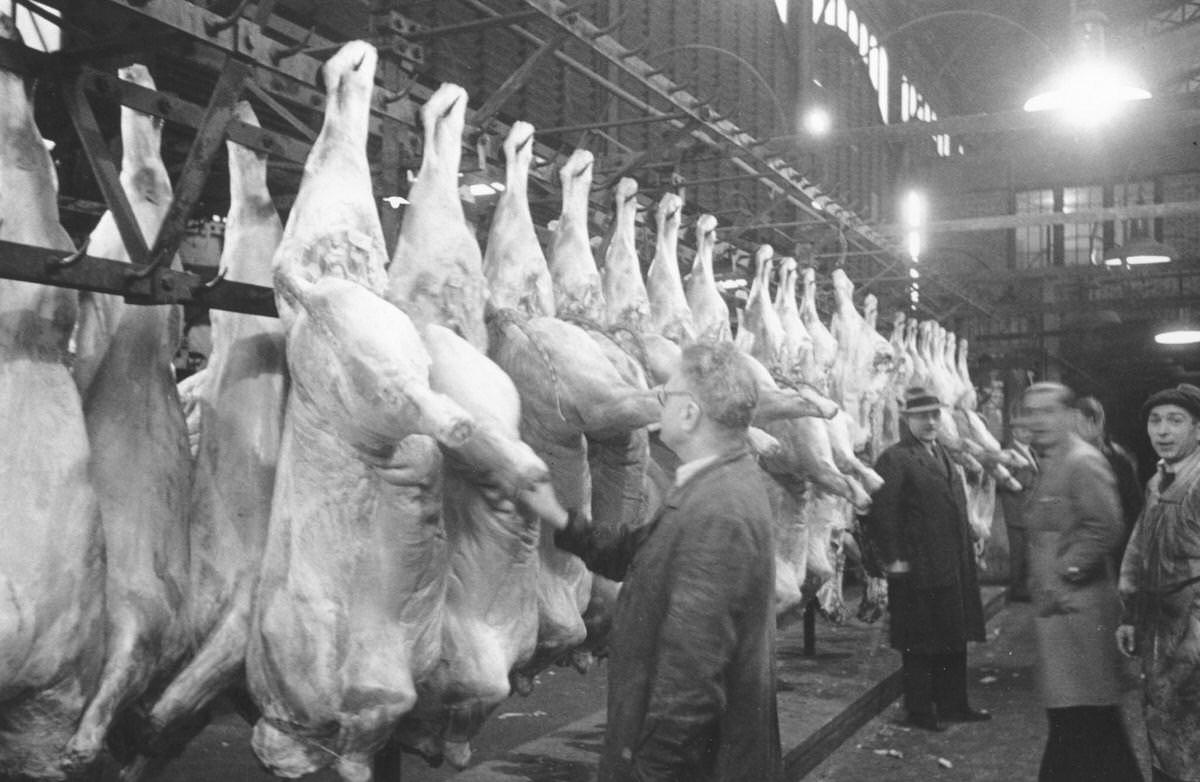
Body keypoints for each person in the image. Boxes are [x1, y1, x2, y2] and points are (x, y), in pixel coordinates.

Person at [554, 341, 781, 782]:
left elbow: (690, 679)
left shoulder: (720, 510)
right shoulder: (713, 484)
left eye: (666, 394)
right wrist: (561, 520)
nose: (660, 401)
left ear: (690, 413)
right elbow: (643, 551)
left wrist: (647, 773)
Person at [1020, 382, 1142, 782]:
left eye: (1047, 410)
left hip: (1079, 613)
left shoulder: (1082, 461)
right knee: (1083, 723)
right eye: (1031, 411)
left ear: (1070, 415)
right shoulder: (1054, 461)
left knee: (1083, 721)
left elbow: (1106, 526)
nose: (1037, 420)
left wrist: (1064, 572)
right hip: (1061, 614)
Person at [864, 385, 988, 732]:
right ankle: (920, 710)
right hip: (917, 566)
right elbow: (882, 514)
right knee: (920, 640)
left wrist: (970, 537)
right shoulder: (895, 458)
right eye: (922, 417)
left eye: (935, 415)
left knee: (953, 635)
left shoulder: (943, 454)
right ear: (907, 420)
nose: (930, 422)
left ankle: (953, 704)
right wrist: (894, 559)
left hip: (953, 562)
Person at [1117, 383, 1200, 782]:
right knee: (1164, 727)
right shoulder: (1157, 482)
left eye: (1175, 420)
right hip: (1159, 627)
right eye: (1155, 420)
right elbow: (1138, 552)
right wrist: (1130, 615)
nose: (1163, 431)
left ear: (1198, 429)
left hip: (1193, 630)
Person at [1077, 394, 1144, 558]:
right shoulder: (1069, 457)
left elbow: (1135, 506)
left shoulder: (1120, 459)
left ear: (1094, 423)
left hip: (1115, 547)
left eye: (1078, 424)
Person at [997, 419, 1037, 602]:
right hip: (1017, 510)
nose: (1028, 433)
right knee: (1018, 553)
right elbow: (1003, 480)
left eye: (1030, 430)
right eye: (1023, 430)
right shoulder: (1008, 453)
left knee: (1028, 552)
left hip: (1030, 510)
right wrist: (1027, 480)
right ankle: (1017, 590)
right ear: (1014, 432)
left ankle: (1025, 588)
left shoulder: (1032, 452)